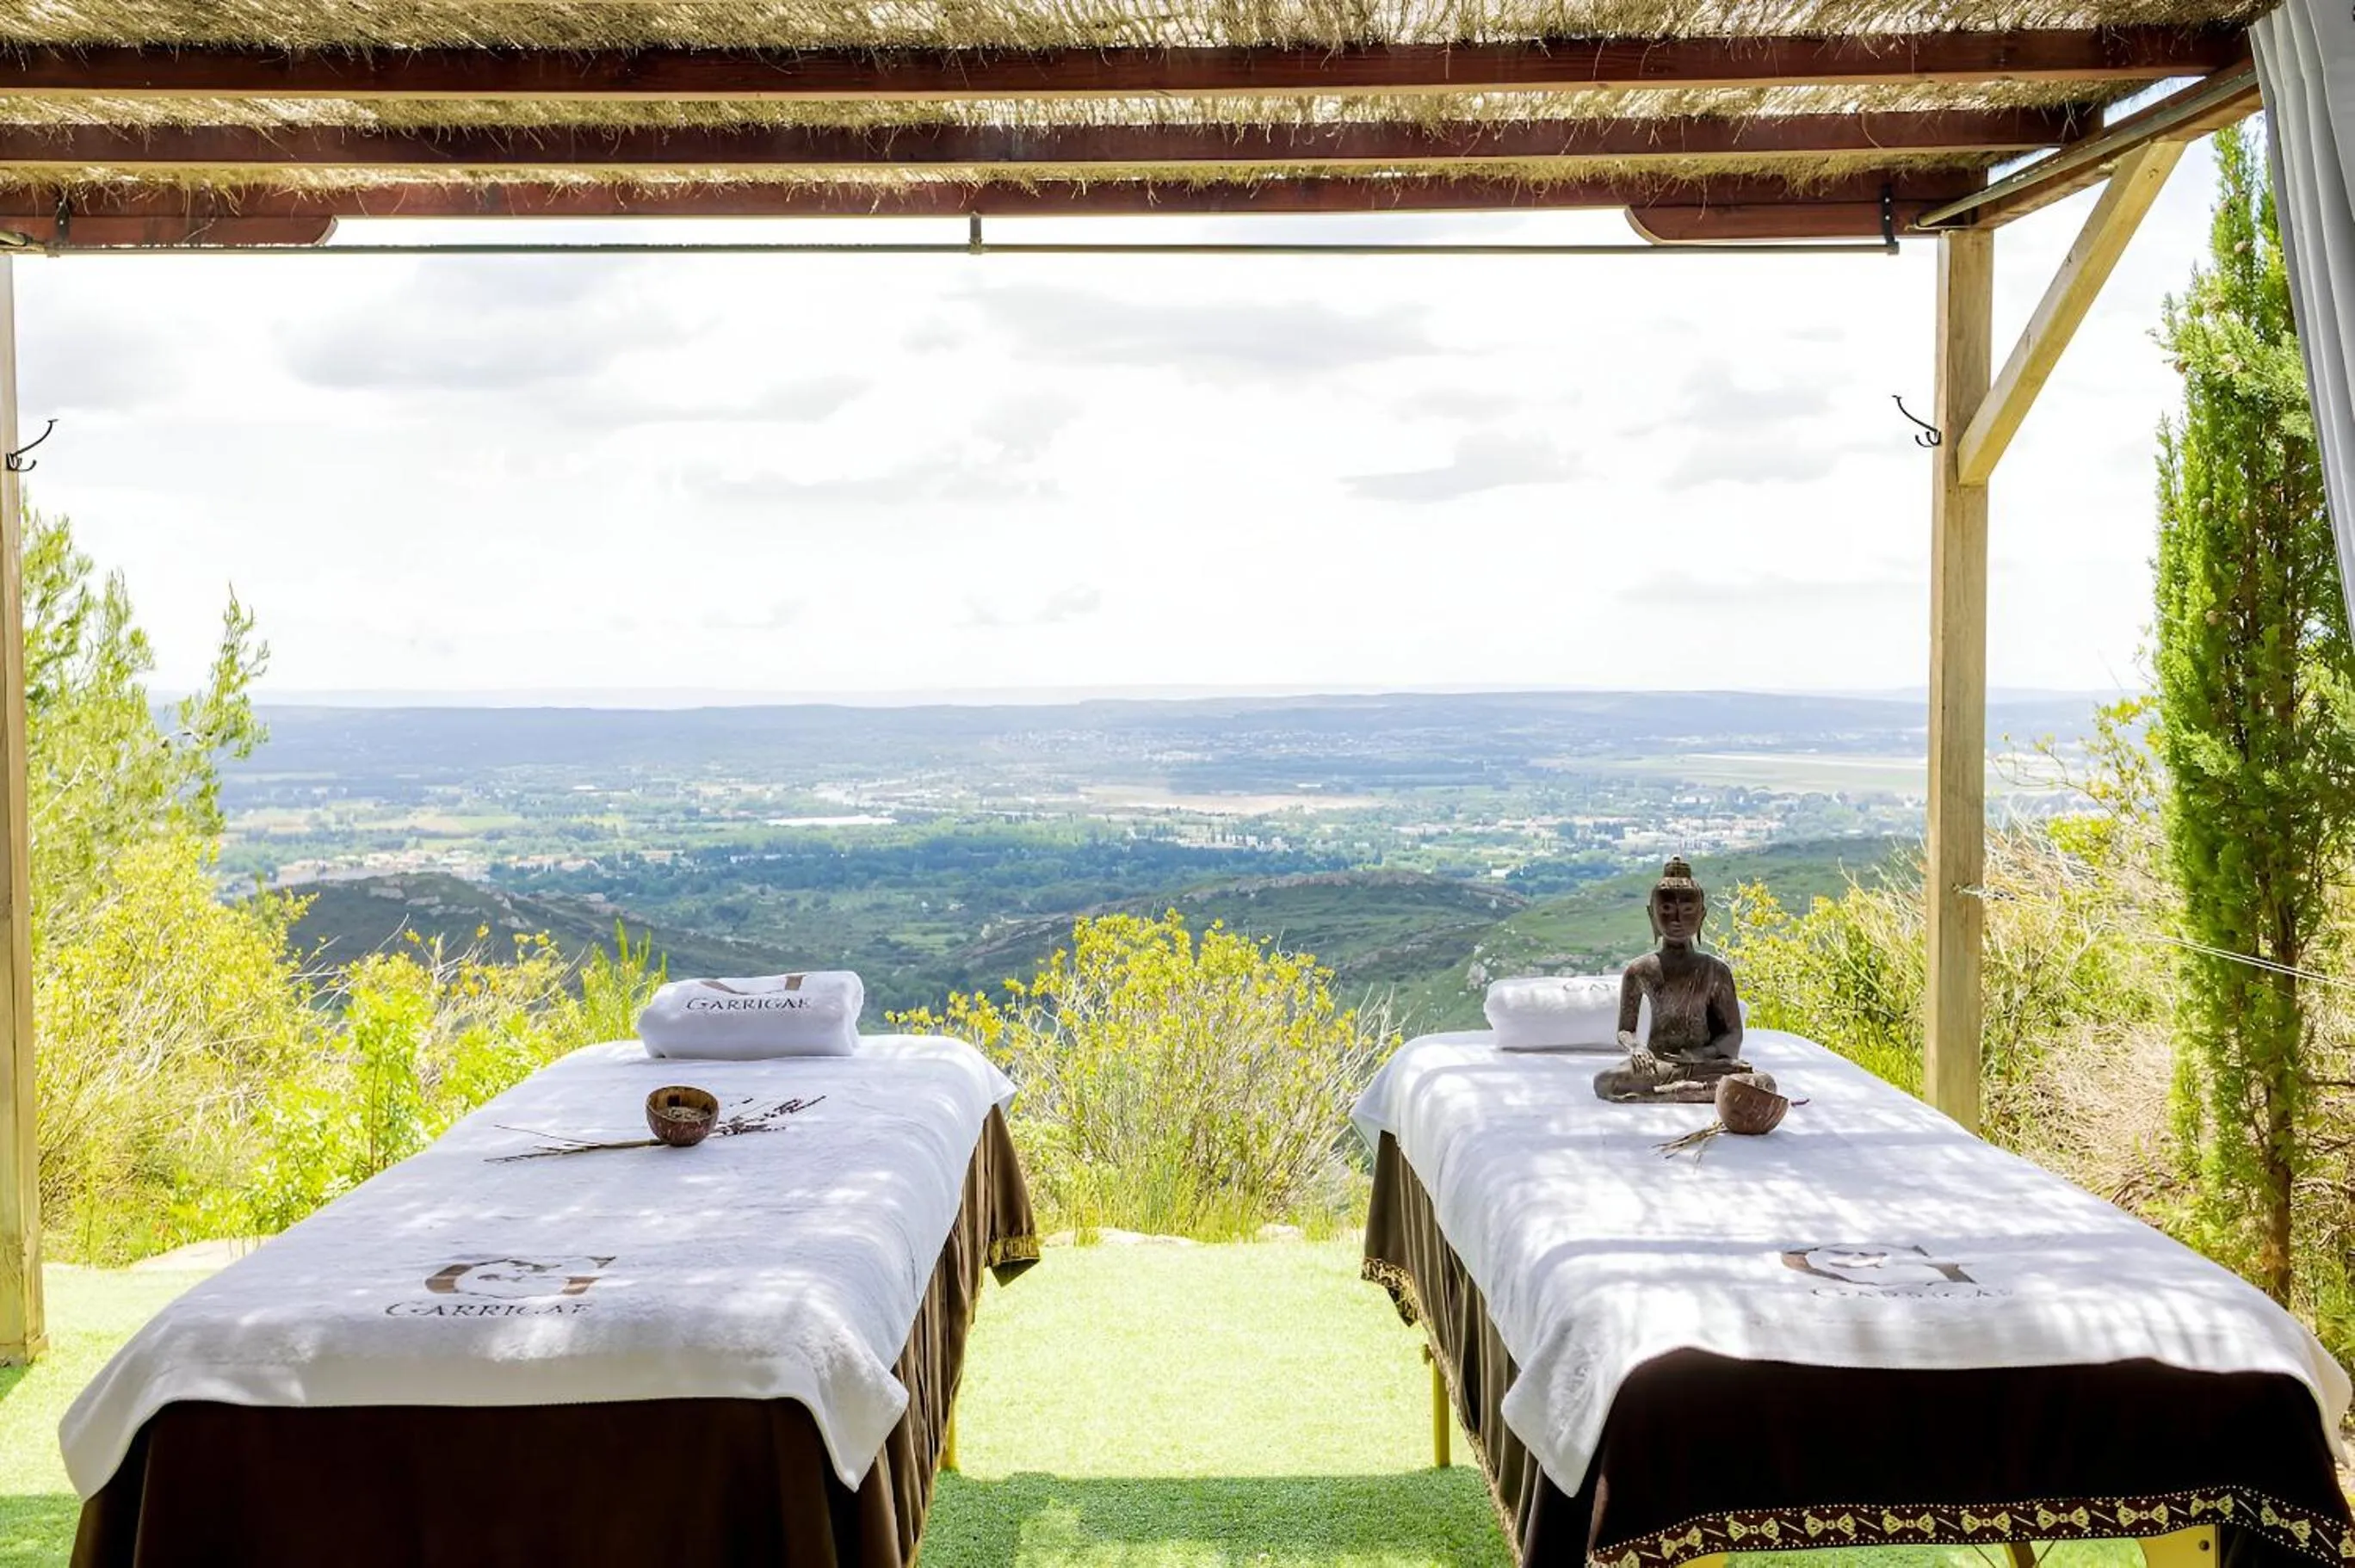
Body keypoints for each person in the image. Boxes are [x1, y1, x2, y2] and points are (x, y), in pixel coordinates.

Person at [1593, 855, 1747, 1102]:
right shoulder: (1639, 969)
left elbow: (1733, 1034)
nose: (1677, 920)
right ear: (1651, 915)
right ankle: (1692, 1091)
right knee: (1605, 1082)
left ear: (1702, 915)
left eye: (1688, 911)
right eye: (1666, 910)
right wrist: (1636, 1048)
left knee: (1759, 1082)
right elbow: (1625, 1030)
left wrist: (1700, 1054)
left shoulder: (1715, 970)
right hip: (1659, 1064)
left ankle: (1664, 1093)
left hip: (1703, 1064)